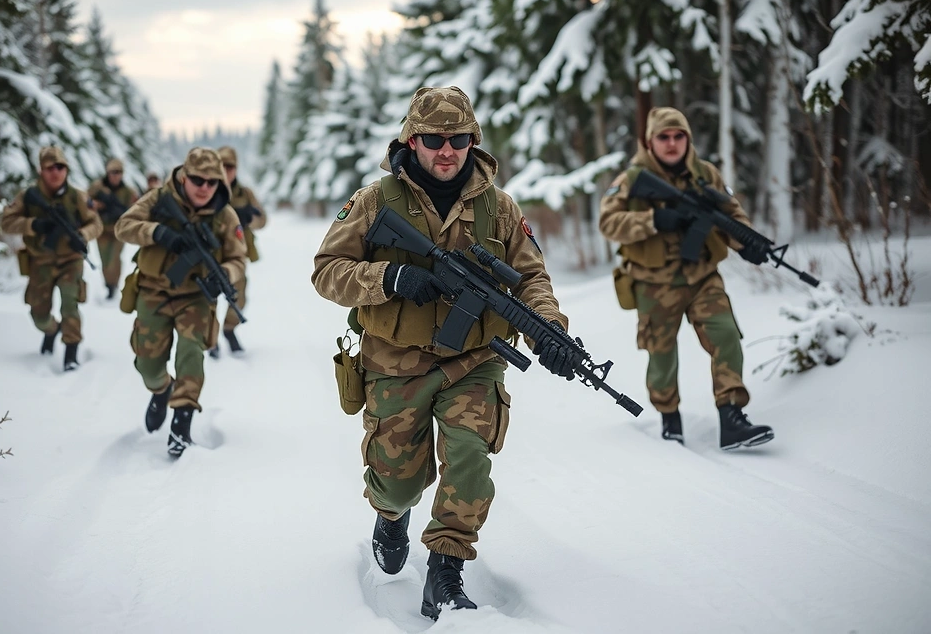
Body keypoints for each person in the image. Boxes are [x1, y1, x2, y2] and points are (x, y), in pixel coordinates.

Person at [312, 86, 571, 620]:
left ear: (473, 141)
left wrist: (550, 330)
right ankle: (390, 516)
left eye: (458, 139)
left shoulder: (499, 209)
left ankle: (445, 573)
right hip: (393, 363)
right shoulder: (374, 201)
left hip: (474, 363)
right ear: (413, 138)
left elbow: (530, 278)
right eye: (433, 139)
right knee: (398, 481)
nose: (446, 150)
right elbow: (326, 272)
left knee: (470, 462)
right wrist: (392, 277)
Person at [598, 106, 774, 450]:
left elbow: (731, 216)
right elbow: (608, 223)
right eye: (663, 137)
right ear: (650, 141)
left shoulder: (706, 175)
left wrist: (747, 243)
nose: (672, 143)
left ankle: (732, 417)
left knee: (725, 335)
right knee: (661, 354)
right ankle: (670, 419)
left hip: (703, 277)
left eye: (679, 136)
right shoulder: (632, 180)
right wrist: (653, 220)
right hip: (654, 281)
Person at [114, 148, 247, 457]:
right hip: (153, 292)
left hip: (196, 297)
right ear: (184, 176)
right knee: (147, 364)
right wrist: (156, 232)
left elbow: (238, 259)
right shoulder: (158, 200)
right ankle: (161, 390)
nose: (204, 187)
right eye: (197, 180)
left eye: (212, 182)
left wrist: (225, 273)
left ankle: (181, 422)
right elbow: (123, 226)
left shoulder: (224, 214)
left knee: (191, 352)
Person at [1, 145, 103, 372]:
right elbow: (6, 222)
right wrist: (32, 225)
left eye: (60, 167)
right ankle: (51, 330)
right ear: (41, 170)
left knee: (70, 305)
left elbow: (96, 223)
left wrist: (82, 235)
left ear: (66, 169)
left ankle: (71, 353)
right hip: (40, 261)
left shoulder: (77, 196)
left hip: (71, 260)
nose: (55, 172)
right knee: (38, 314)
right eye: (50, 168)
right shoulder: (29, 196)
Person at [208, 146, 267, 358]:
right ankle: (211, 339)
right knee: (209, 297)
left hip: (237, 252)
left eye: (230, 166)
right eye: (222, 165)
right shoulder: (208, 189)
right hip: (211, 252)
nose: (226, 170)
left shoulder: (245, 193)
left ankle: (229, 329)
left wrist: (248, 218)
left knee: (239, 296)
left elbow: (263, 219)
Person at [87, 158, 137, 299]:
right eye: (113, 172)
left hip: (118, 230)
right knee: (105, 259)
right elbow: (85, 201)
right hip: (102, 229)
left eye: (119, 172)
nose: (116, 176)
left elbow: (135, 209)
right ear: (107, 173)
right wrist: (95, 205)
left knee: (114, 259)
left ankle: (113, 285)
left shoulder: (127, 191)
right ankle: (108, 284)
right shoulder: (98, 188)